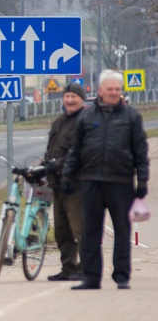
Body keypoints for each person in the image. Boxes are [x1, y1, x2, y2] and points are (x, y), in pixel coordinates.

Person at [62, 70, 149, 290]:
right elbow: (76, 150)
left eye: (117, 89)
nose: (114, 93)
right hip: (90, 181)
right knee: (90, 231)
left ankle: (121, 276)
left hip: (120, 182)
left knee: (122, 231)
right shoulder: (87, 116)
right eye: (110, 89)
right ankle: (91, 278)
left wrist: (143, 181)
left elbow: (141, 150)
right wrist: (68, 175)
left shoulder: (131, 116)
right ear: (100, 91)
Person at [44, 82, 87, 281]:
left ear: (82, 100)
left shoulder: (85, 121)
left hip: (76, 184)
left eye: (74, 97)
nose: (69, 100)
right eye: (67, 96)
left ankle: (86, 268)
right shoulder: (59, 122)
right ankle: (68, 268)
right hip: (57, 183)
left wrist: (58, 164)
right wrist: (42, 168)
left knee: (79, 228)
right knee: (61, 230)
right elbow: (50, 150)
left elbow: (78, 152)